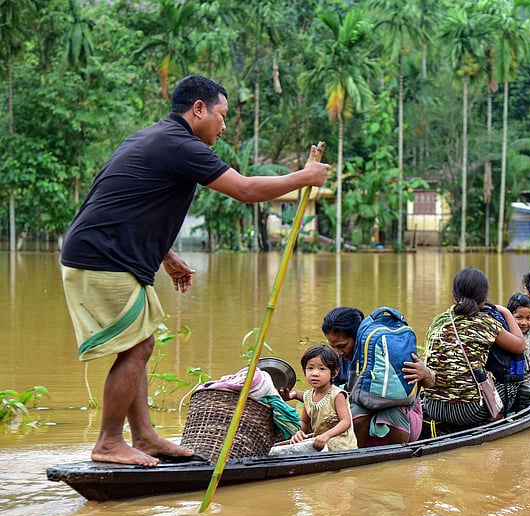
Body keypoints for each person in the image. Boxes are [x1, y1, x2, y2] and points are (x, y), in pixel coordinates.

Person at [59, 74, 331, 466]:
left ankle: (145, 437)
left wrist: (167, 257)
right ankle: (107, 443)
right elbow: (245, 190)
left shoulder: (154, 138)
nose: (223, 125)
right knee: (136, 347)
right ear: (198, 108)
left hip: (109, 253)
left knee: (141, 344)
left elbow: (127, 204)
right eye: (220, 115)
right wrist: (304, 177)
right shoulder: (180, 144)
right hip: (102, 257)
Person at [421, 268, 525, 429]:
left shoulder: (439, 320)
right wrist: (505, 311)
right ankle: (494, 417)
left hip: (432, 407)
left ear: (454, 296)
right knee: (513, 385)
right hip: (468, 412)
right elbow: (519, 345)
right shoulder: (485, 322)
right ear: (484, 297)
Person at [318, 307, 434, 447]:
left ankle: (393, 457)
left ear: (360, 337)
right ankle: (355, 455)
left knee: (391, 412)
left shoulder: (389, 351)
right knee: (356, 412)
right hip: (357, 429)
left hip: (402, 425)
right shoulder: (337, 361)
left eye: (343, 346)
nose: (339, 352)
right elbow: (326, 397)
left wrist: (426, 373)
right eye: (333, 347)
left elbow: (432, 383)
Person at [285, 344, 357, 451]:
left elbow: (345, 422)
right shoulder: (308, 396)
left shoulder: (337, 395)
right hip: (320, 443)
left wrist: (326, 435)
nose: (315, 373)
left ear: (334, 372)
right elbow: (304, 422)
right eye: (310, 368)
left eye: (322, 369)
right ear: (303, 371)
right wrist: (299, 432)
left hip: (341, 445)